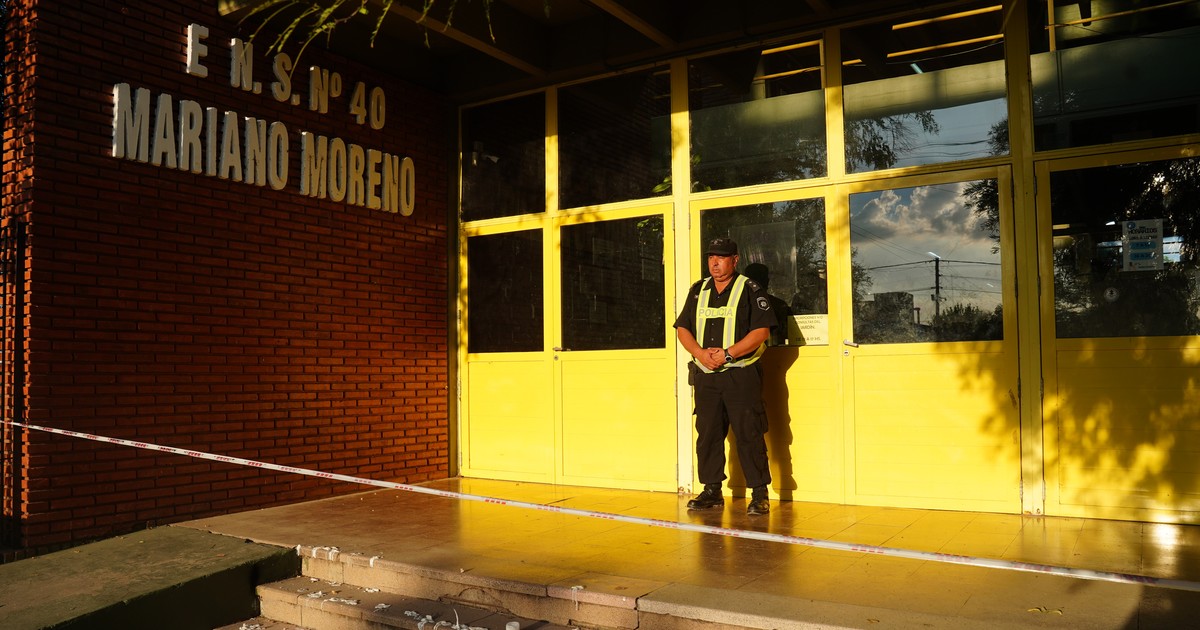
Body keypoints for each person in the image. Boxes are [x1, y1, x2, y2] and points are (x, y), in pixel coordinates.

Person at [674, 237, 775, 515]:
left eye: (721, 257)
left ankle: (759, 494)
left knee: (749, 433)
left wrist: (728, 354)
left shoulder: (750, 289)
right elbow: (683, 328)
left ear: (735, 259)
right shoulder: (699, 290)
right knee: (708, 434)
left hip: (740, 374)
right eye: (711, 257)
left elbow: (761, 331)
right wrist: (699, 353)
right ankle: (712, 490)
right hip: (706, 375)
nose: (714, 263)